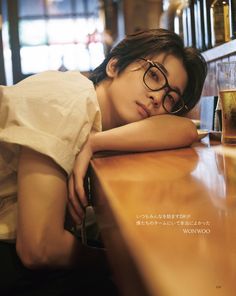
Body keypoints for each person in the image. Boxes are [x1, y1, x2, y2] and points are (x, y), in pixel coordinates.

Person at [0, 28, 207, 295]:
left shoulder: (97, 124)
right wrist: (124, 261)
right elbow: (39, 249)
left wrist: (95, 143)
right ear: (114, 65)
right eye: (154, 75)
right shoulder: (66, 99)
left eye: (170, 98)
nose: (158, 98)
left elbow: (184, 129)